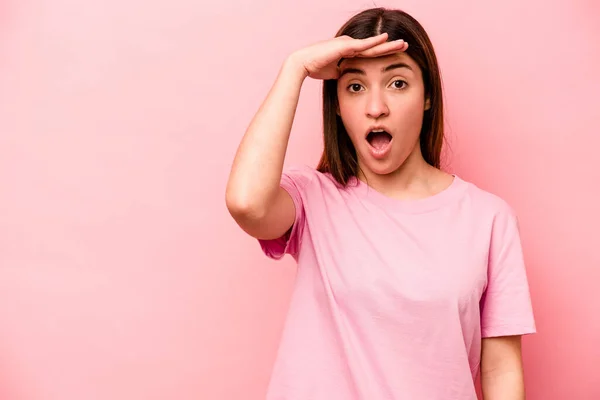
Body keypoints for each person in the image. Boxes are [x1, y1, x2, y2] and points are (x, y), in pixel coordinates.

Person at [225, 7, 536, 400]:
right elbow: (247, 204)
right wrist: (295, 68)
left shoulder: (490, 219)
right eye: (355, 86)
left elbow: (501, 368)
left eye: (398, 83)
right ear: (336, 105)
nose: (376, 107)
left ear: (427, 97)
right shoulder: (313, 197)